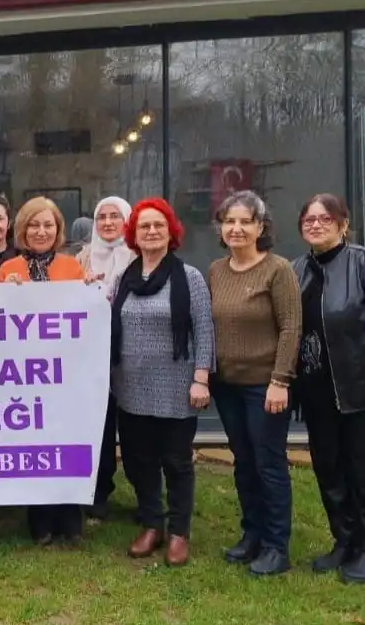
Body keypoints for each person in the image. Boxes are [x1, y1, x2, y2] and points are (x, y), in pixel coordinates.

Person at [111, 199, 214, 566]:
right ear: (133, 235)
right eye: (144, 227)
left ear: (171, 232)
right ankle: (152, 523)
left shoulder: (190, 278)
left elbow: (204, 329)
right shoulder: (126, 277)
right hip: (131, 386)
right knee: (140, 461)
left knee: (176, 462)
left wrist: (201, 378)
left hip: (176, 387)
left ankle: (179, 532)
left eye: (159, 225)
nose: (151, 231)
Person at [209, 190, 301, 577]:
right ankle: (253, 534)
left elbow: (291, 327)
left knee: (269, 464)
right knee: (243, 462)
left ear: (260, 227)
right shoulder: (216, 270)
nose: (237, 228)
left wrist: (280, 380)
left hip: (265, 386)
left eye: (245, 221)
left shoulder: (278, 269)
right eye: (230, 221)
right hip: (227, 385)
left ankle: (276, 546)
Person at [0, 197, 85, 545]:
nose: (41, 231)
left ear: (58, 230)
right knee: (33, 446)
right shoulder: (8, 269)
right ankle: (41, 521)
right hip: (24, 373)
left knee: (67, 441)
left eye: (48, 225)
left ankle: (71, 519)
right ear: (22, 230)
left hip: (65, 373)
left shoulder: (72, 267)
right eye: (34, 225)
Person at [293, 194, 365, 584]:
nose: (316, 224)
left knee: (360, 468)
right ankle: (344, 539)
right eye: (309, 219)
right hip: (316, 389)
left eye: (325, 219)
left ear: (342, 224)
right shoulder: (296, 270)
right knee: (329, 467)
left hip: (356, 387)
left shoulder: (359, 263)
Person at [77, 195, 135, 520]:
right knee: (97, 426)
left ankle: (146, 494)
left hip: (128, 355)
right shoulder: (83, 258)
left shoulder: (139, 258)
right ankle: (97, 491)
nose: (109, 223)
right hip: (90, 357)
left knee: (130, 427)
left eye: (116, 216)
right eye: (102, 217)